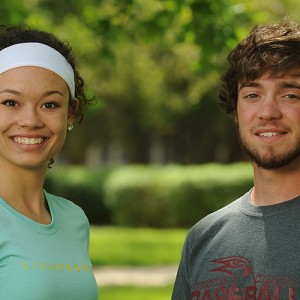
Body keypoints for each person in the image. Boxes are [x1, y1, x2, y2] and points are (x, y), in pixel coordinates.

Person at [172, 17, 300, 299]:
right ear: (236, 109)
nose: (268, 112)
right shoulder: (203, 238)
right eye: (253, 94)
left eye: (290, 94)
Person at [0, 25, 98, 299]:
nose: (30, 121)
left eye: (50, 104)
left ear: (70, 114)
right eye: (10, 103)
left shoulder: (73, 219)